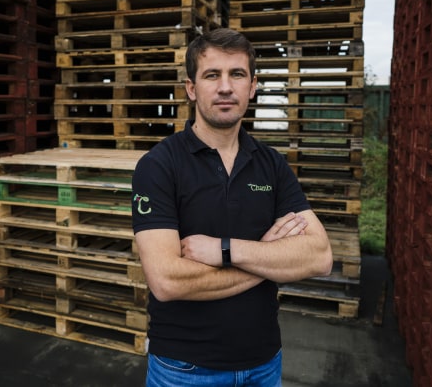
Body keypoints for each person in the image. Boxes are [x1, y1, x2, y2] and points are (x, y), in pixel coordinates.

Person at [131, 27, 333, 387]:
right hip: (185, 369)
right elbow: (166, 280)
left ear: (252, 86)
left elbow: (318, 256)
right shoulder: (160, 165)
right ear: (192, 88)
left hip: (264, 364)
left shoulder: (270, 163)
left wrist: (224, 250)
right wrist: (270, 260)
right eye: (212, 75)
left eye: (237, 74)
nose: (226, 87)